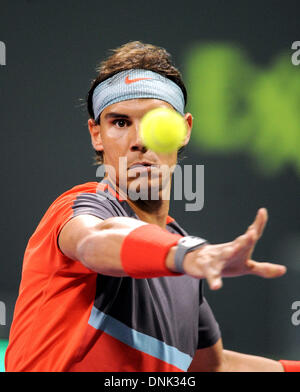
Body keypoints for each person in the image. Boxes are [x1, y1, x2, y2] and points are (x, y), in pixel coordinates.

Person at [4, 41, 298, 372]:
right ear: (96, 135)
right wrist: (188, 254)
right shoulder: (81, 208)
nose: (140, 139)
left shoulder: (183, 265)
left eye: (158, 122)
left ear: (184, 130)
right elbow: (95, 240)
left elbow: (215, 367)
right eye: (119, 122)